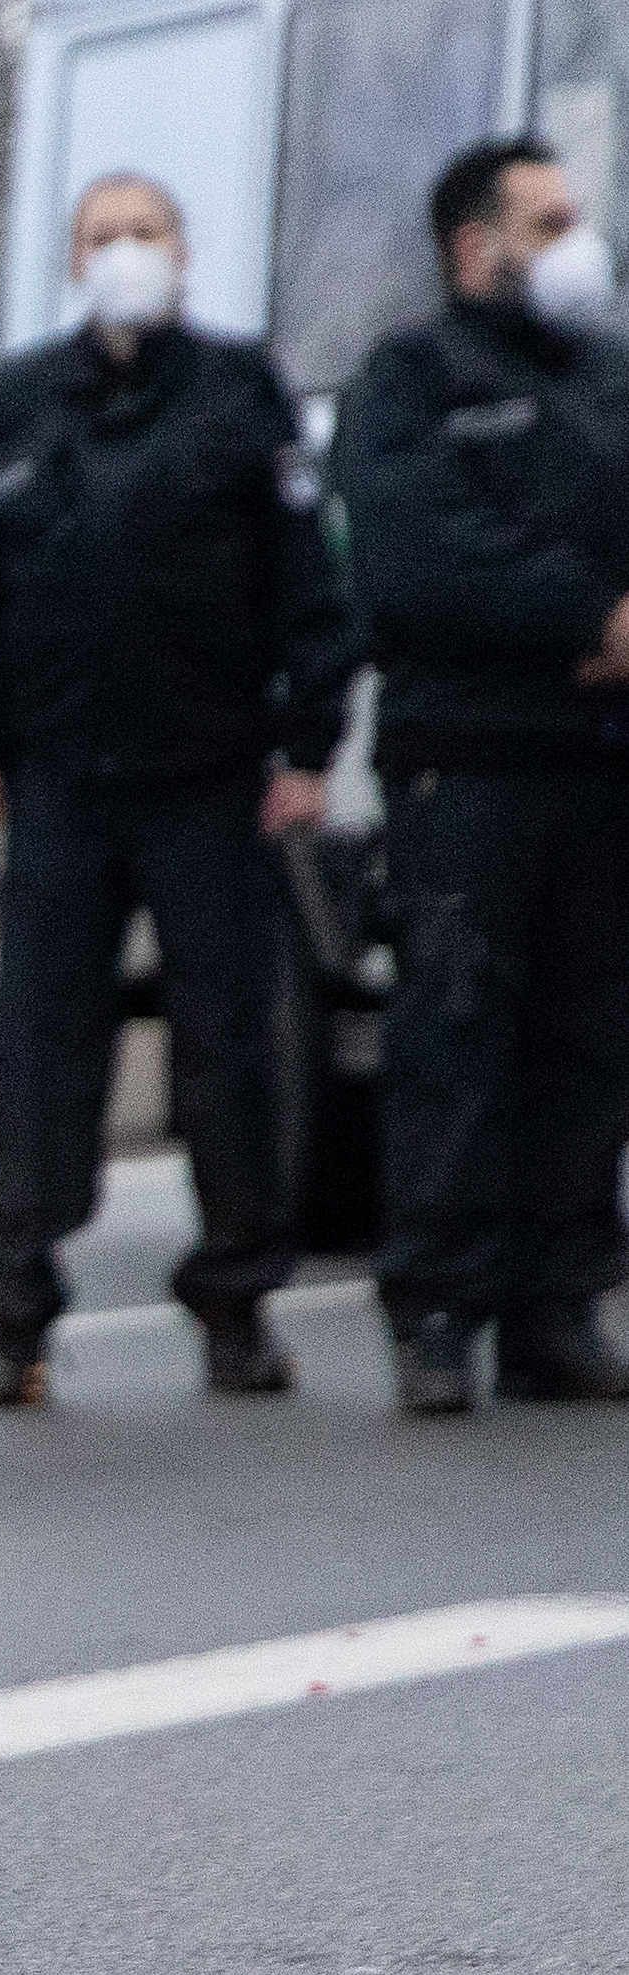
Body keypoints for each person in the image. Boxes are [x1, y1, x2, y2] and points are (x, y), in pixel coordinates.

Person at [0, 172, 361, 1408]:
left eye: (146, 233)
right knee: (37, 1049)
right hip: (62, 780)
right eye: (103, 237)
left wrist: (305, 746)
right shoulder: (16, 403)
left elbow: (305, 584)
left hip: (209, 776)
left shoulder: (238, 392)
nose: (126, 254)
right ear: (72, 262)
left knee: (229, 1047)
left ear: (184, 250)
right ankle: (18, 1312)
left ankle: (235, 1300)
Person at [327, 135, 629, 1412]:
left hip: (601, 764)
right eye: (549, 220)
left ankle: (558, 1308)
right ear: (476, 246)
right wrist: (590, 620)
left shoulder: (611, 376)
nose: (579, 241)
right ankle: (439, 1310)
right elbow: (420, 558)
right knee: (456, 1028)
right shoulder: (407, 380)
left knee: (591, 1038)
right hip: (468, 761)